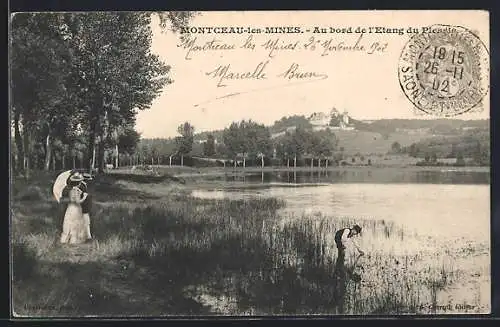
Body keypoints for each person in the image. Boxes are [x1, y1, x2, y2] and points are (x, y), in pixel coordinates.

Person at [59, 173, 88, 244]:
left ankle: (65, 238)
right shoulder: (76, 191)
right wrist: (84, 197)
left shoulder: (71, 190)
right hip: (76, 208)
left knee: (69, 222)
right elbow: (78, 201)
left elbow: (71, 200)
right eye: (80, 182)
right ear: (78, 183)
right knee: (76, 223)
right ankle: (74, 239)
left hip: (70, 208)